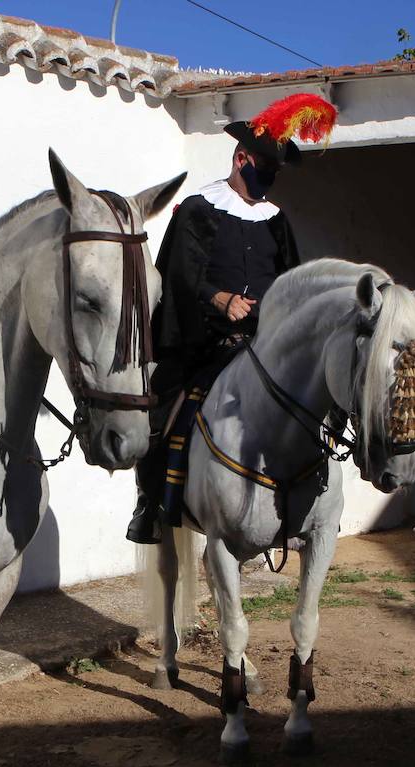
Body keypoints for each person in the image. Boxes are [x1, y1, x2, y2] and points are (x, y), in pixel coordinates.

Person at [126, 94, 337, 544]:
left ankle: (311, 502)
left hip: (264, 341)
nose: (269, 178)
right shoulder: (199, 208)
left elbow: (290, 281)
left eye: (275, 171)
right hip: (208, 340)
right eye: (264, 167)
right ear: (241, 158)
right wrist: (219, 299)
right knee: (163, 406)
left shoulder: (276, 220)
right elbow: (178, 276)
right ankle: (152, 503)